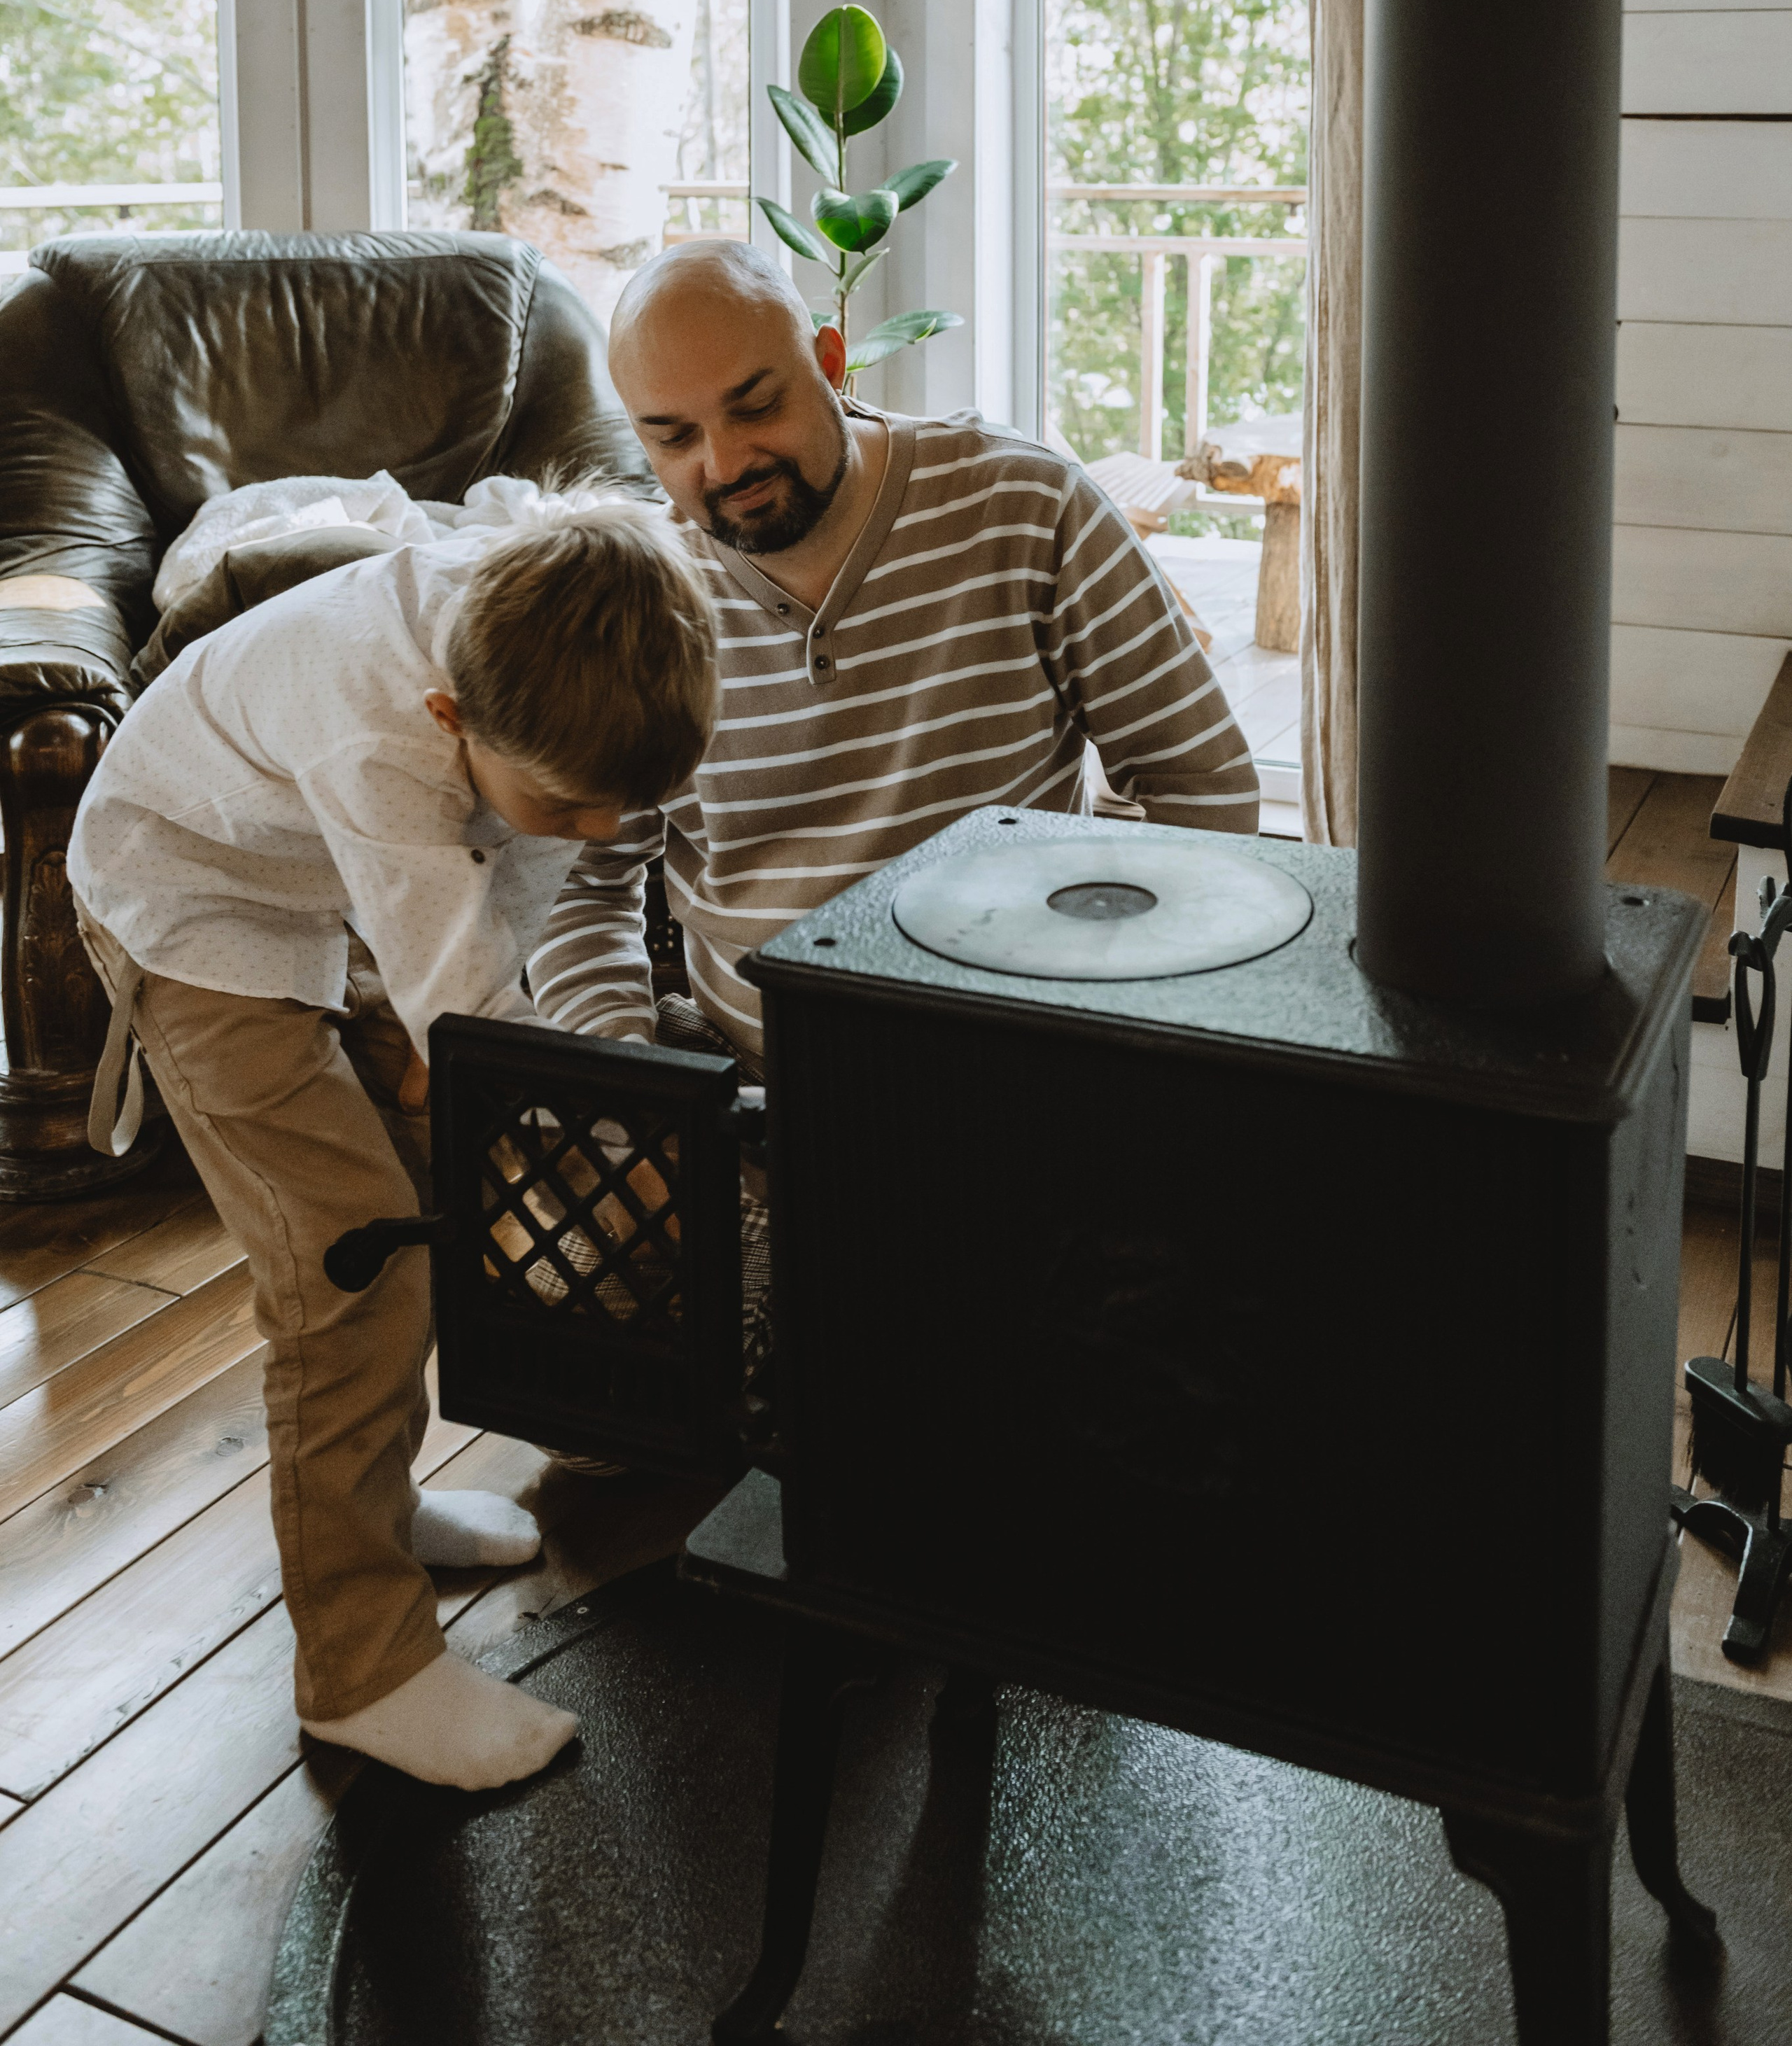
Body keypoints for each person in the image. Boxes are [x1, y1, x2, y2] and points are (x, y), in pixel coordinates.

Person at [67, 505, 715, 1789]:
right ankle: (362, 1668)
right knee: (346, 1268)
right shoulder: (381, 739)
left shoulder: (575, 635)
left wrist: (466, 1031)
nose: (601, 833)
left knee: (421, 1195)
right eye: (571, 803)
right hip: (184, 899)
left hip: (316, 882)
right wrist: (579, 1124)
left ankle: (381, 1508)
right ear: (446, 718)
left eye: (625, 806)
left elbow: (507, 877)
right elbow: (466, 996)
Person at [531, 241, 1257, 1067]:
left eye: (757, 406)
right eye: (672, 437)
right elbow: (580, 886)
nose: (725, 464)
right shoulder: (640, 595)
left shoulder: (1026, 506)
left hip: (1030, 1067)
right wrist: (633, 1092)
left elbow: (1197, 777)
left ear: (830, 363)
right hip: (757, 1105)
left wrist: (1124, 1021)